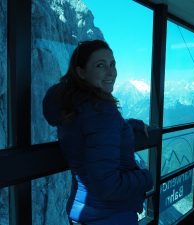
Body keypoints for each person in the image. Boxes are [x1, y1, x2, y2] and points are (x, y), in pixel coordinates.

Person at [42, 40, 153, 225]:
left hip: (84, 211)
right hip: (110, 215)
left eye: (113, 64)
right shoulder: (100, 111)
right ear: (81, 72)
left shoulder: (75, 107)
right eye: (100, 65)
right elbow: (108, 186)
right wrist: (145, 177)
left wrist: (127, 125)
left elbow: (94, 133)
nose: (111, 72)